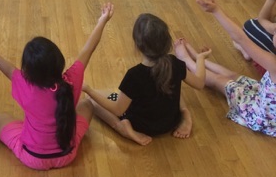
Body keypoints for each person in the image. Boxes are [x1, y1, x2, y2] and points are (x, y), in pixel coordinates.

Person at [0, 2, 114, 170]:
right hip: (67, 155)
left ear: (28, 72)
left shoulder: (22, 82)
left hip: (32, 158)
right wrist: (102, 20)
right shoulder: (71, 80)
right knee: (87, 104)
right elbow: (88, 48)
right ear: (59, 62)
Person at [83, 13, 209, 146]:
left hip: (141, 125)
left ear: (137, 46)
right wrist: (200, 59)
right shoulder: (175, 63)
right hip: (170, 121)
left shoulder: (134, 75)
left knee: (92, 100)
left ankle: (123, 128)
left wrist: (89, 90)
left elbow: (118, 110)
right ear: (167, 42)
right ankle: (185, 113)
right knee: (170, 84)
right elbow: (200, 83)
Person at [175, 0, 276, 137]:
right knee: (235, 76)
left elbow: (241, 38)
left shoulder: (273, 63)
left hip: (261, 115)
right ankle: (199, 59)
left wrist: (216, 10)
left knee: (220, 81)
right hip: (264, 97)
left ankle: (187, 60)